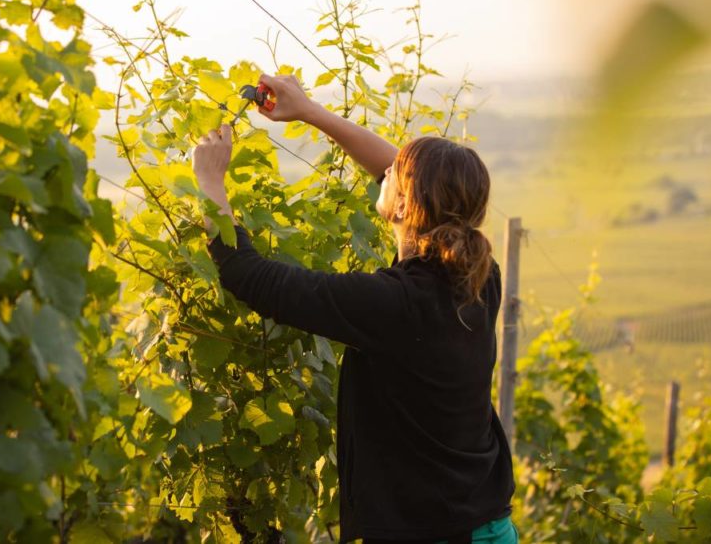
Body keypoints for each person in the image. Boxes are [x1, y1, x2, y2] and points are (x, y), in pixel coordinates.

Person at [191, 73, 517, 544]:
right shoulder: (479, 275)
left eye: (396, 175)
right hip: (489, 524)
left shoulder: (393, 303)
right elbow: (405, 174)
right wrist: (309, 112)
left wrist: (208, 181)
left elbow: (249, 275)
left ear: (404, 206)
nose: (386, 170)